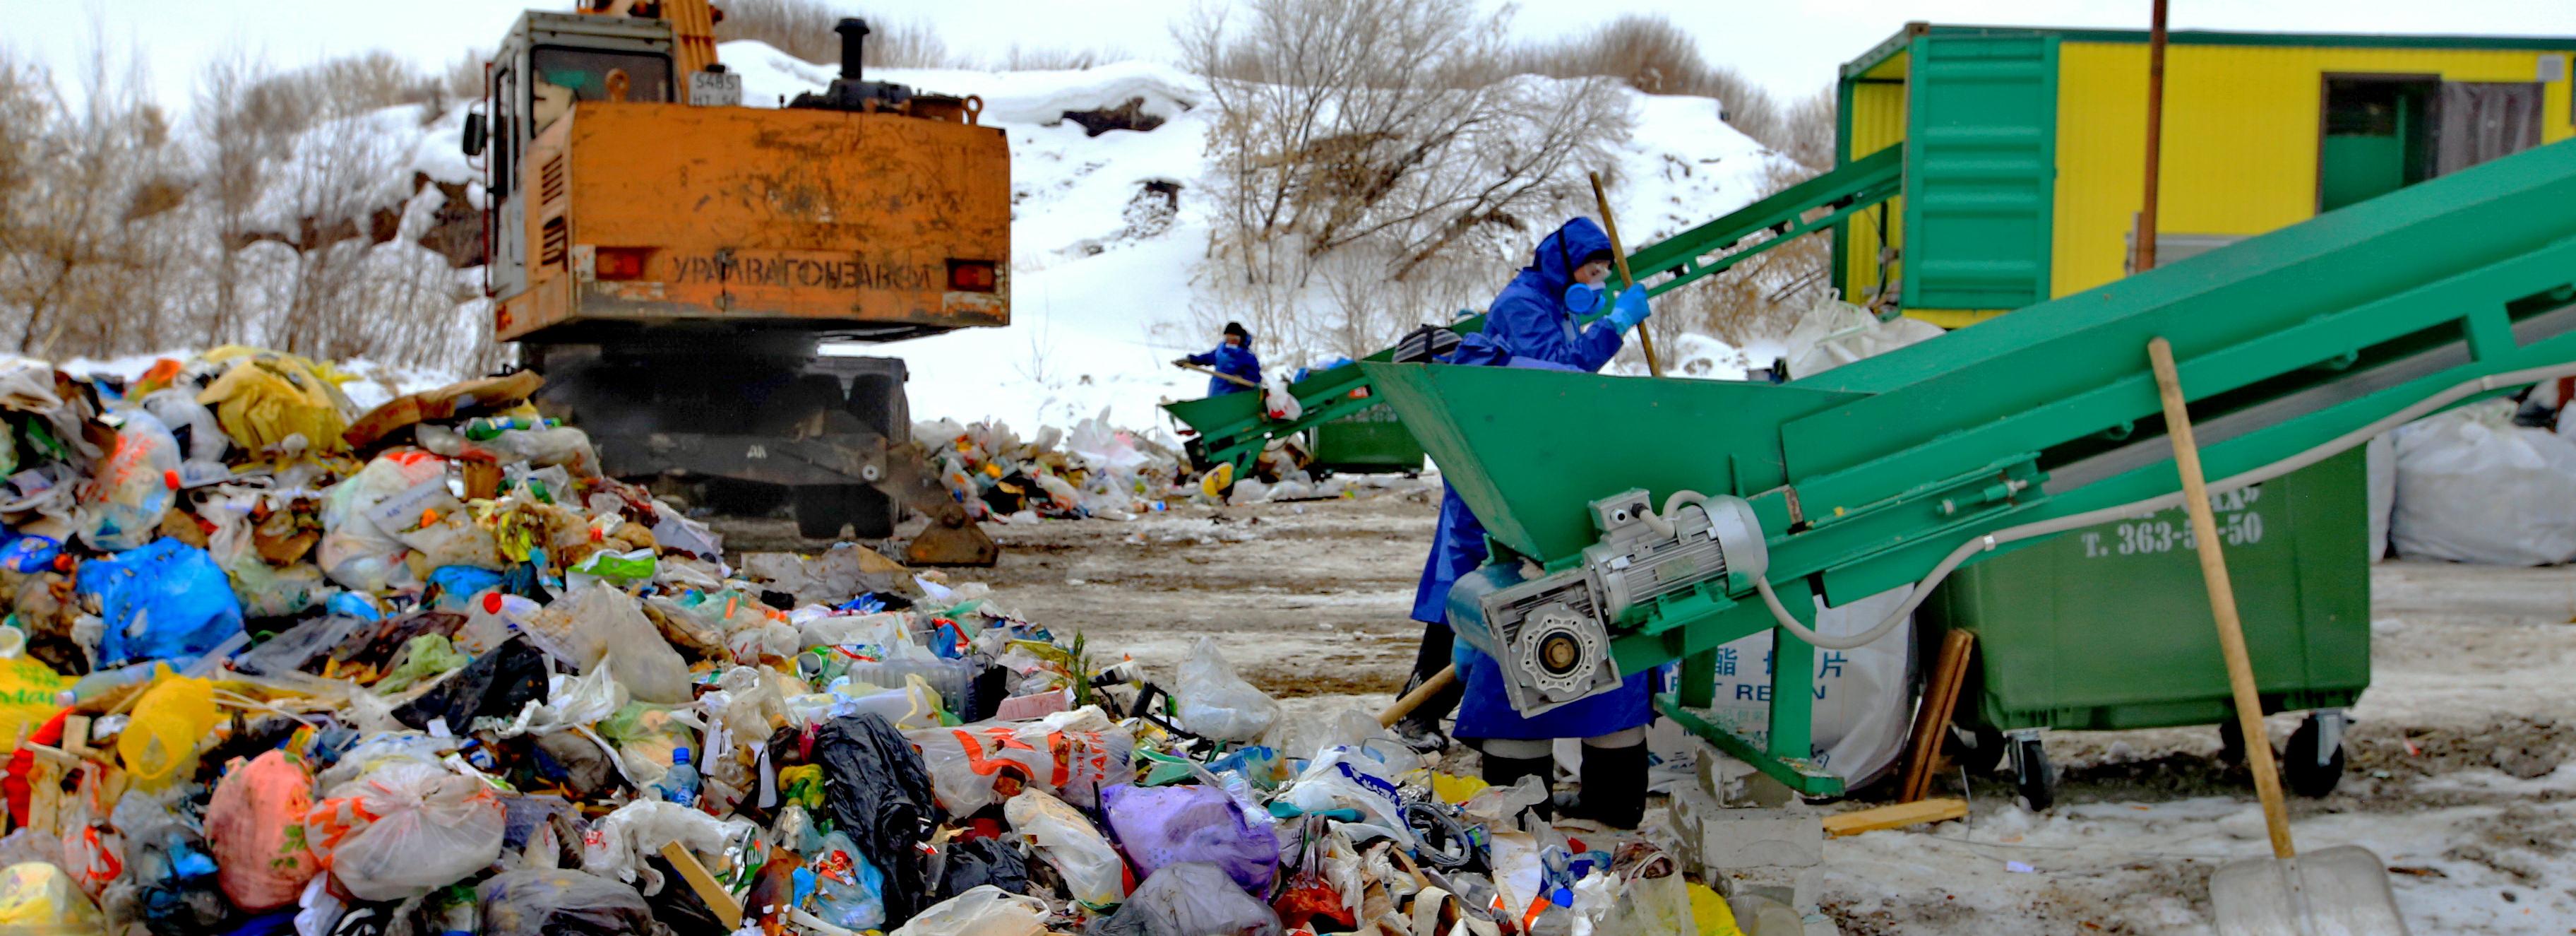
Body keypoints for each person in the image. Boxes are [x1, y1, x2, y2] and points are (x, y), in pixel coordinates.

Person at [1395, 216, 1654, 828]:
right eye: (1592, 268)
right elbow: (1556, 380)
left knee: (1502, 622)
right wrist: (1613, 327)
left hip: (1543, 495)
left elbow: (1560, 384)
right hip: (1519, 497)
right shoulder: (1513, 325)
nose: (1595, 280)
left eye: (1601, 273)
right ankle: (1422, 711)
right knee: (1481, 615)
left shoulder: (1520, 346)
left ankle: (1437, 713)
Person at [1175, 321, 1263, 397]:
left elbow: (1256, 378)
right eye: (1228, 338)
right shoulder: (1221, 350)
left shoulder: (1248, 356)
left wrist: (1241, 379)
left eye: (1235, 339)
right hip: (1216, 391)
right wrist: (1191, 360)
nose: (1231, 341)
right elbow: (1207, 358)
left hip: (1234, 396)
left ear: (1241, 339)